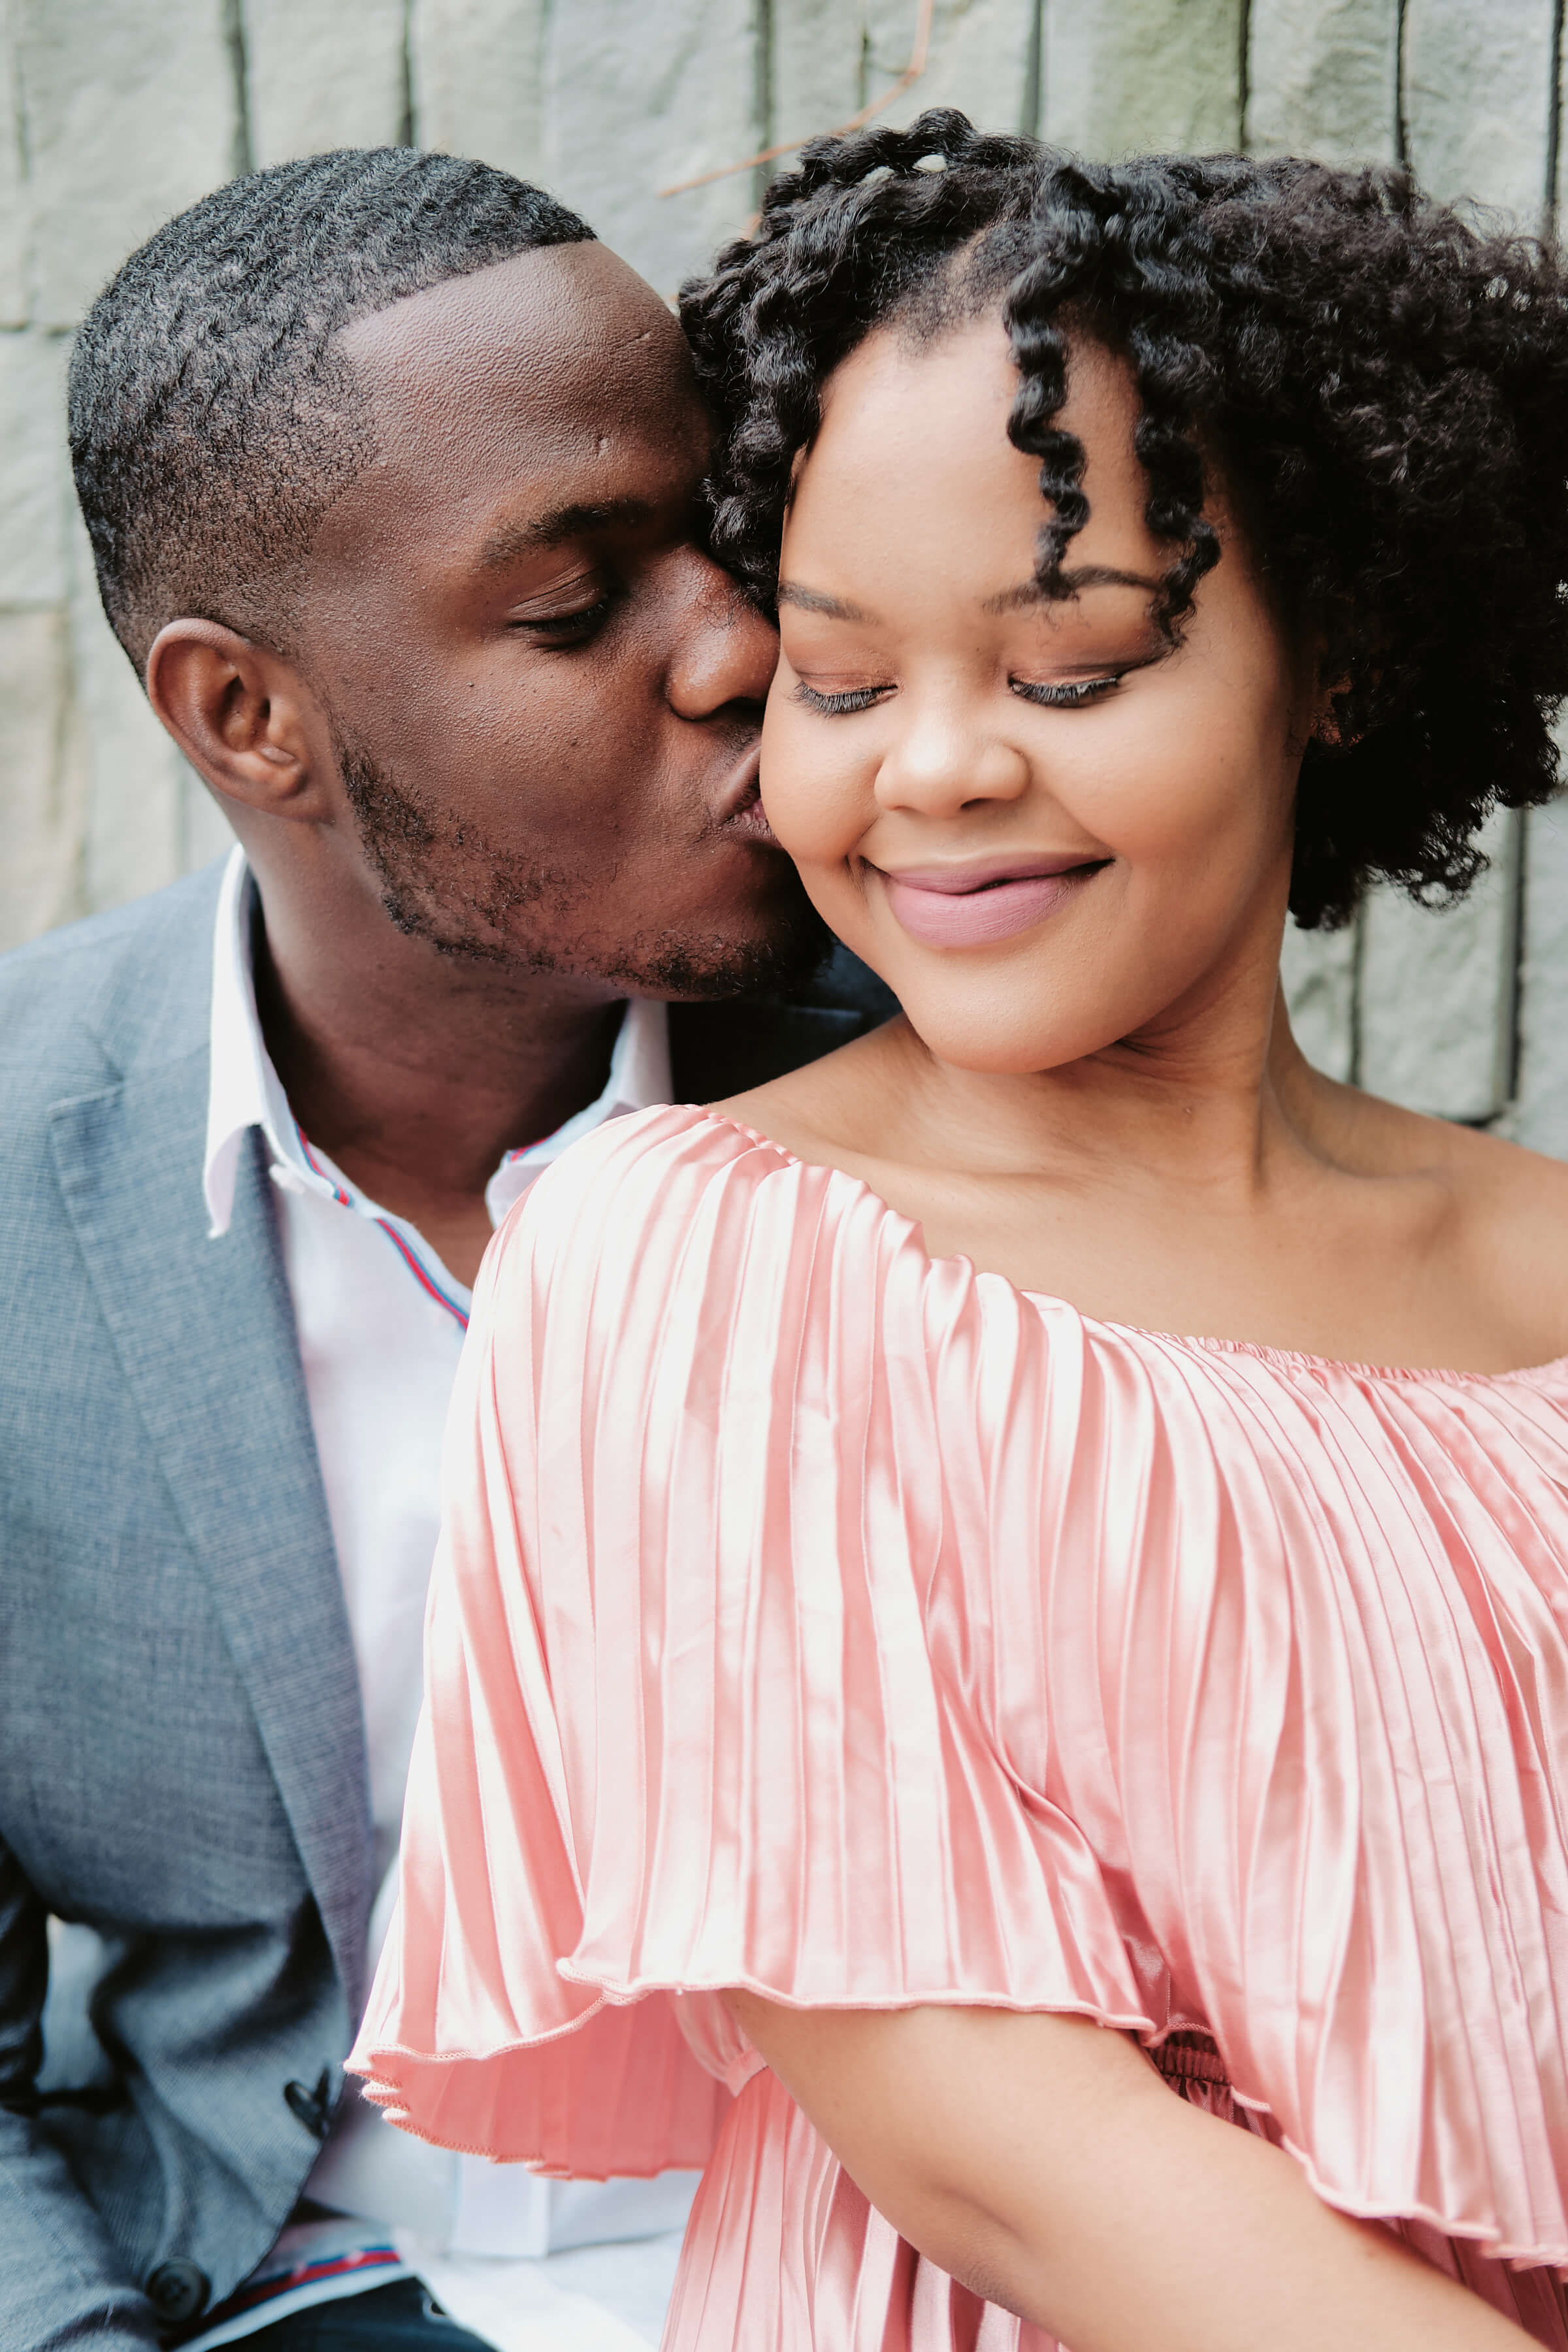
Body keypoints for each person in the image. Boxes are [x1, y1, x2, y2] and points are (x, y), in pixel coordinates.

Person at [353, 112, 1568, 2351]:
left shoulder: (1546, 1269)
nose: (933, 772)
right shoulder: (705, 1261)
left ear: (1343, 659)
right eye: (835, 681)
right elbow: (991, 2146)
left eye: (1073, 666)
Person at [0, 148, 893, 2351]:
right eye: (579, 605)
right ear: (246, 714)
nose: (744, 652)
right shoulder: (20, 1182)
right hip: (277, 2282)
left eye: (731, 538)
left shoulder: (966, 1102)